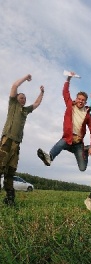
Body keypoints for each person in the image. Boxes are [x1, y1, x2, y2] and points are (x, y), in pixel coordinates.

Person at [37, 72, 91, 171]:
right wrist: (68, 79)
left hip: (77, 143)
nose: (80, 101)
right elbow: (65, 92)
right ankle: (49, 158)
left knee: (82, 168)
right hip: (68, 138)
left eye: (83, 100)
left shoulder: (87, 115)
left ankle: (84, 150)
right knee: (61, 144)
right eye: (79, 99)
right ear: (76, 99)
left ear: (85, 102)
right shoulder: (70, 105)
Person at [0, 74, 44, 206]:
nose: (23, 100)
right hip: (7, 141)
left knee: (10, 172)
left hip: (17, 145)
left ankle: (10, 198)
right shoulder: (13, 104)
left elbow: (36, 104)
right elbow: (14, 86)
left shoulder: (25, 110)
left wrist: (42, 92)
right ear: (16, 98)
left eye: (25, 98)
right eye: (21, 97)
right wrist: (26, 78)